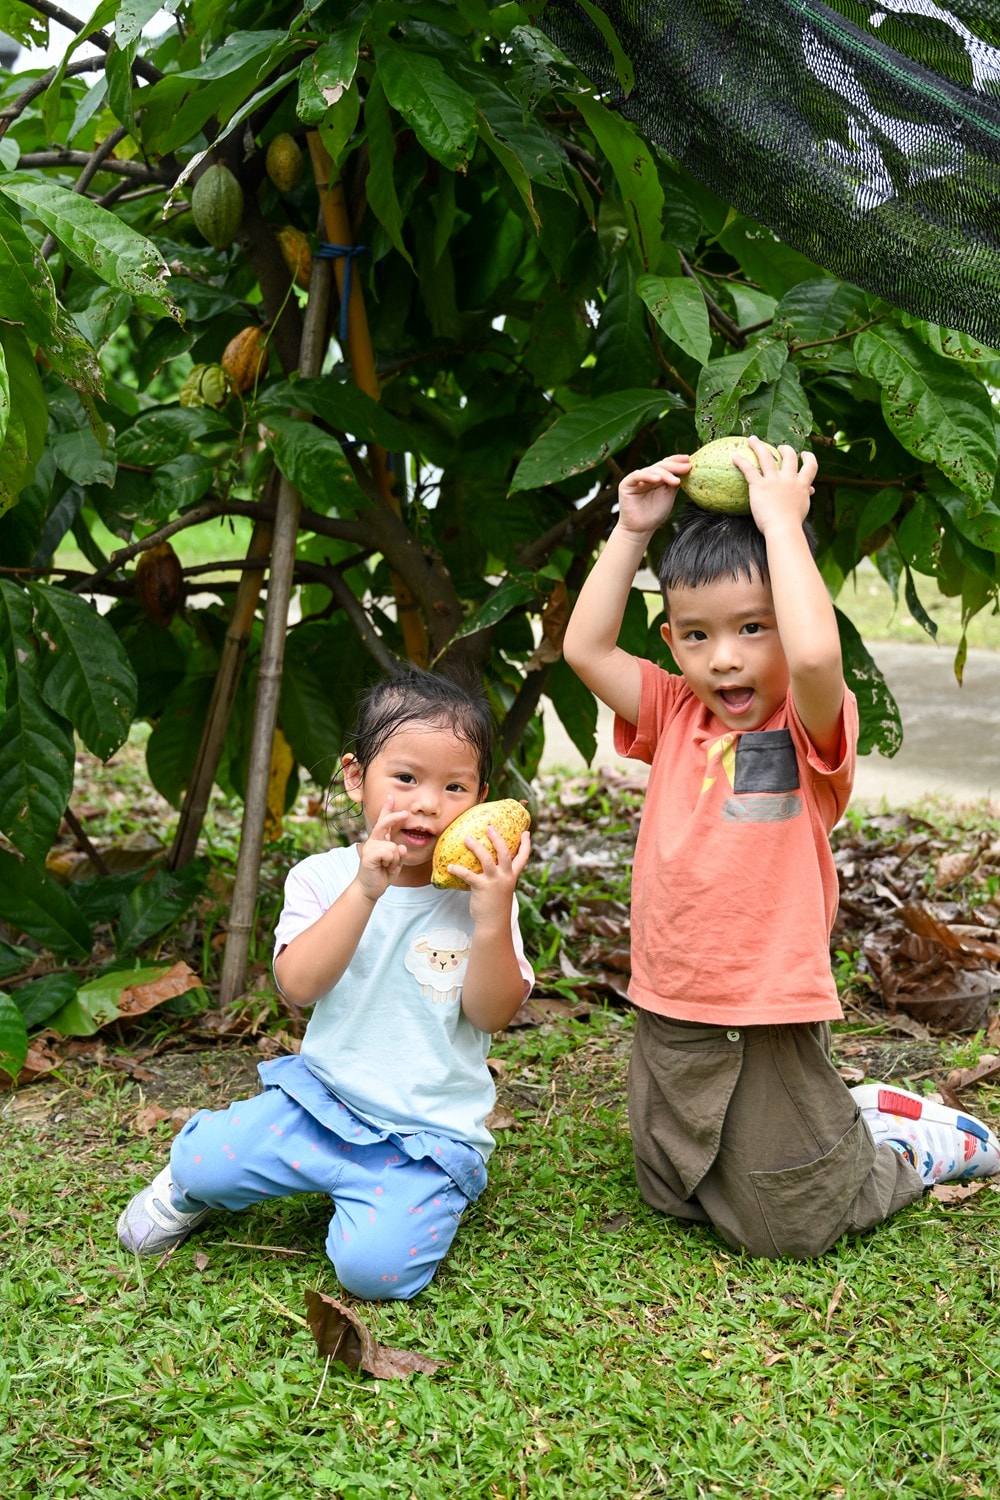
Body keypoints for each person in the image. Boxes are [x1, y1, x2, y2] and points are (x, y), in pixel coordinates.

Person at [562, 437, 1000, 1259]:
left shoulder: (805, 724)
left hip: (767, 1008)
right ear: (671, 641)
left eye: (751, 627)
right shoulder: (672, 711)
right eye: (696, 636)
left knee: (788, 1225)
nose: (724, 657)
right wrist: (630, 531)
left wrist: (782, 524)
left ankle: (904, 1148)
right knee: (672, 1193)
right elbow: (584, 649)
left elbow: (813, 653)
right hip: (673, 999)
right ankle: (839, 1116)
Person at [118, 667, 533, 1299]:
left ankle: (414, 1197)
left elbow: (492, 1014)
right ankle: (187, 1186)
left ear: (481, 801)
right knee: (205, 1163)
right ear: (354, 776)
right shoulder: (323, 875)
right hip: (319, 1103)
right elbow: (299, 985)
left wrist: (490, 916)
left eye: (455, 787)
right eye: (406, 778)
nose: (428, 803)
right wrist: (366, 890)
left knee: (375, 1273)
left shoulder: (484, 901)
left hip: (425, 1134)